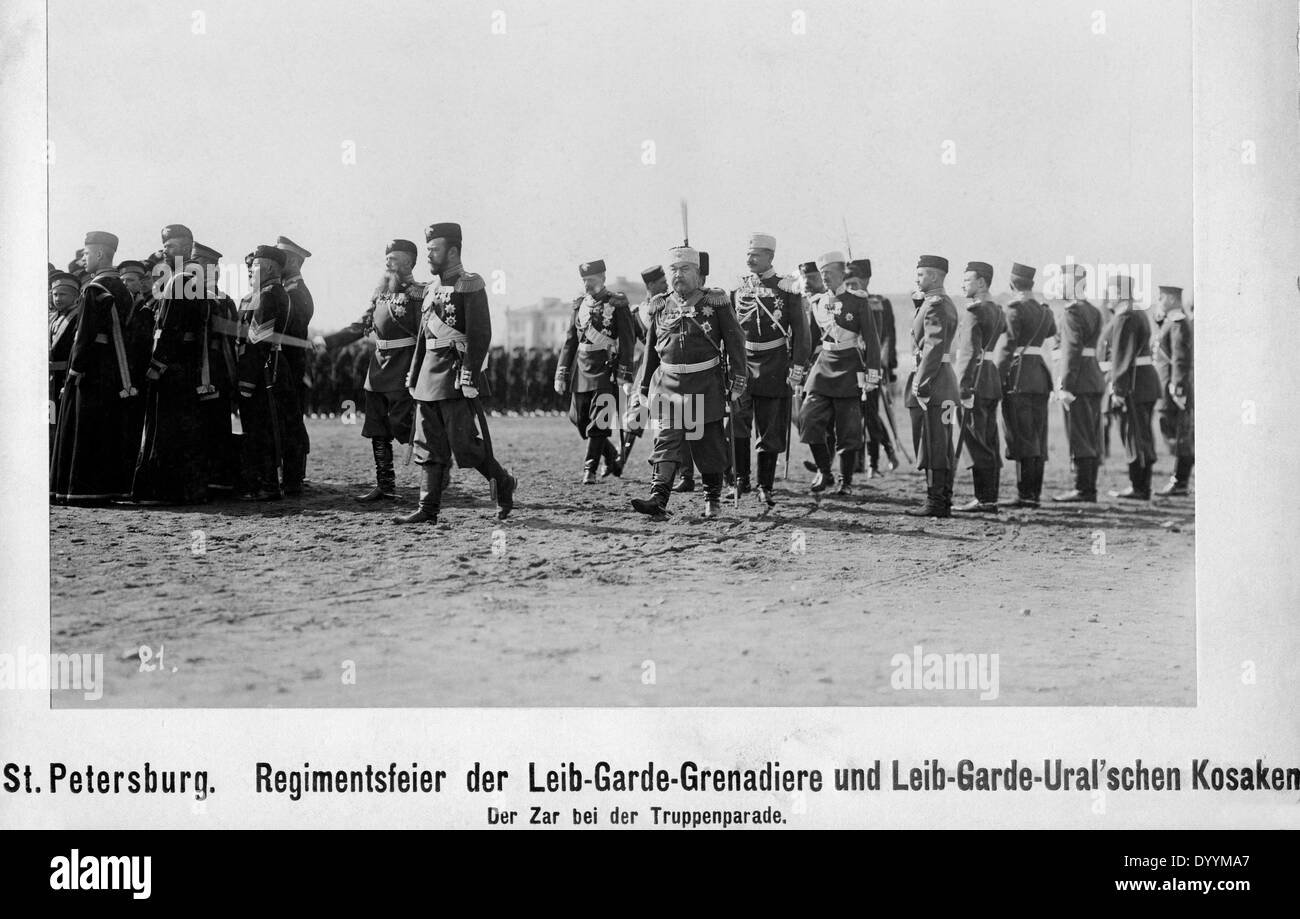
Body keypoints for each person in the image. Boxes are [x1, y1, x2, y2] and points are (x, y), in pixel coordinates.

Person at [396, 221, 517, 524]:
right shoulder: (430, 290)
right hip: (428, 377)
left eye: (433, 250)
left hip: (454, 376)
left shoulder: (469, 284)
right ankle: (427, 509)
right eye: (427, 250)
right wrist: (413, 373)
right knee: (428, 444)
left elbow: (480, 333)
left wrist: (469, 374)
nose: (428, 256)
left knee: (463, 444)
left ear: (452, 251)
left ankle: (503, 482)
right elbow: (424, 337)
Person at [631, 245, 746, 519]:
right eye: (673, 270)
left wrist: (738, 379)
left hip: (705, 382)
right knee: (666, 441)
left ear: (698, 274)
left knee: (708, 443)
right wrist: (644, 386)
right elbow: (651, 351)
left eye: (684, 270)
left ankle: (712, 499)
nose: (678, 275)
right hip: (668, 384)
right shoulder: (661, 305)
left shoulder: (715, 302)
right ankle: (658, 498)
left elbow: (735, 342)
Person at [315, 239, 426, 501]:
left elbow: (425, 336)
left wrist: (419, 369)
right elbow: (359, 326)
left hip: (403, 367)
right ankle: (385, 485)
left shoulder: (419, 294)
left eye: (394, 258)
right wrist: (328, 341)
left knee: (403, 424)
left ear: (410, 261)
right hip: (377, 369)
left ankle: (436, 470)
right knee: (377, 428)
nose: (388, 263)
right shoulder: (380, 295)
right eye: (387, 258)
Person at [50, 232, 137, 504]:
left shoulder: (94, 288)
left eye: (86, 253)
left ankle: (81, 490)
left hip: (93, 369)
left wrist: (74, 372)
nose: (84, 258)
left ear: (99, 254)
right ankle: (110, 489)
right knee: (107, 429)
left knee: (84, 429)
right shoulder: (122, 288)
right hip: (115, 370)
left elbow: (83, 336)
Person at [130, 227, 211, 505]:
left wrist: (158, 363)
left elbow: (170, 328)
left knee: (166, 427)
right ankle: (186, 489)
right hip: (185, 363)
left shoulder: (182, 279)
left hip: (173, 364)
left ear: (188, 248)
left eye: (172, 245)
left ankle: (164, 490)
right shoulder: (193, 277)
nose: (165, 250)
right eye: (164, 245)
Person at [730, 233, 809, 507]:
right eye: (748, 254)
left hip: (774, 363)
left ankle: (765, 486)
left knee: (769, 428)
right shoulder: (738, 288)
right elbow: (730, 331)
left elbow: (801, 332)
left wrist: (797, 368)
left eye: (756, 255)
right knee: (738, 422)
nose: (749, 259)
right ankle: (741, 479)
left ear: (770, 257)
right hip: (743, 363)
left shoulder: (786, 288)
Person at [797, 251, 882, 495]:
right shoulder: (817, 303)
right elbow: (810, 340)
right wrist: (800, 368)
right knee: (808, 418)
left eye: (829, 274)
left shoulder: (858, 301)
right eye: (822, 275)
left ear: (842, 273)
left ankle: (846, 482)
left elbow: (872, 341)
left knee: (848, 430)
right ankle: (824, 470)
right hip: (823, 365)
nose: (824, 279)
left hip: (850, 366)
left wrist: (872, 375)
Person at [555, 259, 636, 483]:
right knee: (579, 419)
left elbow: (628, 340)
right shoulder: (579, 304)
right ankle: (610, 455)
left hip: (605, 367)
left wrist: (624, 372)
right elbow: (570, 341)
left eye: (590, 279)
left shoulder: (616, 302)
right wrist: (562, 371)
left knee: (599, 419)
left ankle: (589, 468)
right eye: (584, 280)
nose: (587, 284)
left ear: (602, 278)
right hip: (581, 367)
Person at [235, 246, 299, 501]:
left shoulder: (268, 294)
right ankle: (267, 482)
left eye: (257, 265)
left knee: (261, 427)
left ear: (271, 268)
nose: (251, 270)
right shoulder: (270, 292)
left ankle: (267, 484)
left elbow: (257, 340)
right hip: (269, 364)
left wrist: (247, 380)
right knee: (266, 426)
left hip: (263, 369)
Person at [904, 255, 961, 517]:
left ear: (935, 277)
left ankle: (936, 502)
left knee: (932, 443)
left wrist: (922, 384)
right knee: (941, 443)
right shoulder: (934, 303)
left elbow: (933, 347)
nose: (917, 279)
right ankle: (942, 499)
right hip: (944, 384)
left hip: (934, 385)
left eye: (921, 275)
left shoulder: (936, 305)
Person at [997, 263, 1057, 509]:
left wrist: (997, 376)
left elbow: (1007, 346)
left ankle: (1025, 495)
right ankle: (1034, 493)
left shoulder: (1014, 309)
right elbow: (1051, 331)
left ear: (1012, 285)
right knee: (1037, 437)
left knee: (1022, 437)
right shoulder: (1044, 310)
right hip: (1039, 375)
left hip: (1019, 376)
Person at [952, 261, 1006, 512]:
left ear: (981, 282)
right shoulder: (997, 310)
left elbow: (968, 353)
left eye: (967, 280)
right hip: (990, 377)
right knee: (989, 439)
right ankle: (989, 497)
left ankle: (983, 498)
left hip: (975, 379)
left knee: (976, 439)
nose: (963, 284)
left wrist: (962, 388)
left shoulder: (975, 312)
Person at [1102, 274, 1161, 500]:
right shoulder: (1136, 313)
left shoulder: (1125, 316)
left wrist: (1118, 389)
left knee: (1134, 436)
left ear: (1119, 292)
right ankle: (1141, 486)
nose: (1108, 295)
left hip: (1134, 385)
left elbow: (1121, 357)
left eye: (1111, 291)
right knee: (1141, 435)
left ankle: (1139, 488)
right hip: (1143, 382)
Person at [1051, 263, 1106, 503]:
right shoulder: (1094, 311)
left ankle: (1084, 490)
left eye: (1063, 281)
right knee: (1091, 436)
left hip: (1079, 381)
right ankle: (1087, 488)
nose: (1059, 285)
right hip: (1092, 377)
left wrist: (1065, 386)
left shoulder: (1072, 312)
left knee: (1080, 435)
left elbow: (1071, 351)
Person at [192, 242, 242, 495]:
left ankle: (215, 479)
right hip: (214, 367)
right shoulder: (218, 298)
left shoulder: (217, 298)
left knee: (211, 424)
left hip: (211, 368)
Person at [846, 258, 898, 477]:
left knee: (871, 414)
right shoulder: (843, 301)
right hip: (849, 365)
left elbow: (888, 337)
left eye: (855, 282)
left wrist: (888, 366)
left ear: (866, 280)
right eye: (847, 283)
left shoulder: (879, 302)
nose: (850, 287)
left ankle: (873, 462)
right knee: (852, 414)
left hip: (872, 365)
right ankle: (856, 460)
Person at [276, 236, 314, 494]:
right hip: (289, 364)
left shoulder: (296, 293)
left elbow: (292, 333)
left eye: (281, 258)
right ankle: (293, 474)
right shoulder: (291, 290)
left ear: (292, 261)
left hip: (290, 364)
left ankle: (292, 478)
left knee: (290, 421)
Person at [1153, 285, 1194, 495]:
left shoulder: (1178, 321)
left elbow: (1180, 357)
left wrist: (1177, 386)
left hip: (1173, 386)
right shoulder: (1170, 321)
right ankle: (1179, 479)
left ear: (1170, 298)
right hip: (1167, 385)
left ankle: (1180, 481)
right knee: (1173, 432)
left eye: (1161, 297)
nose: (1158, 299)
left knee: (1180, 434)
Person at [47, 271, 82, 457]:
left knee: (63, 423)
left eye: (63, 294)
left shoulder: (78, 317)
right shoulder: (51, 317)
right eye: (54, 294)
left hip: (64, 378)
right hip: (49, 381)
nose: (58, 298)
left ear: (75, 296)